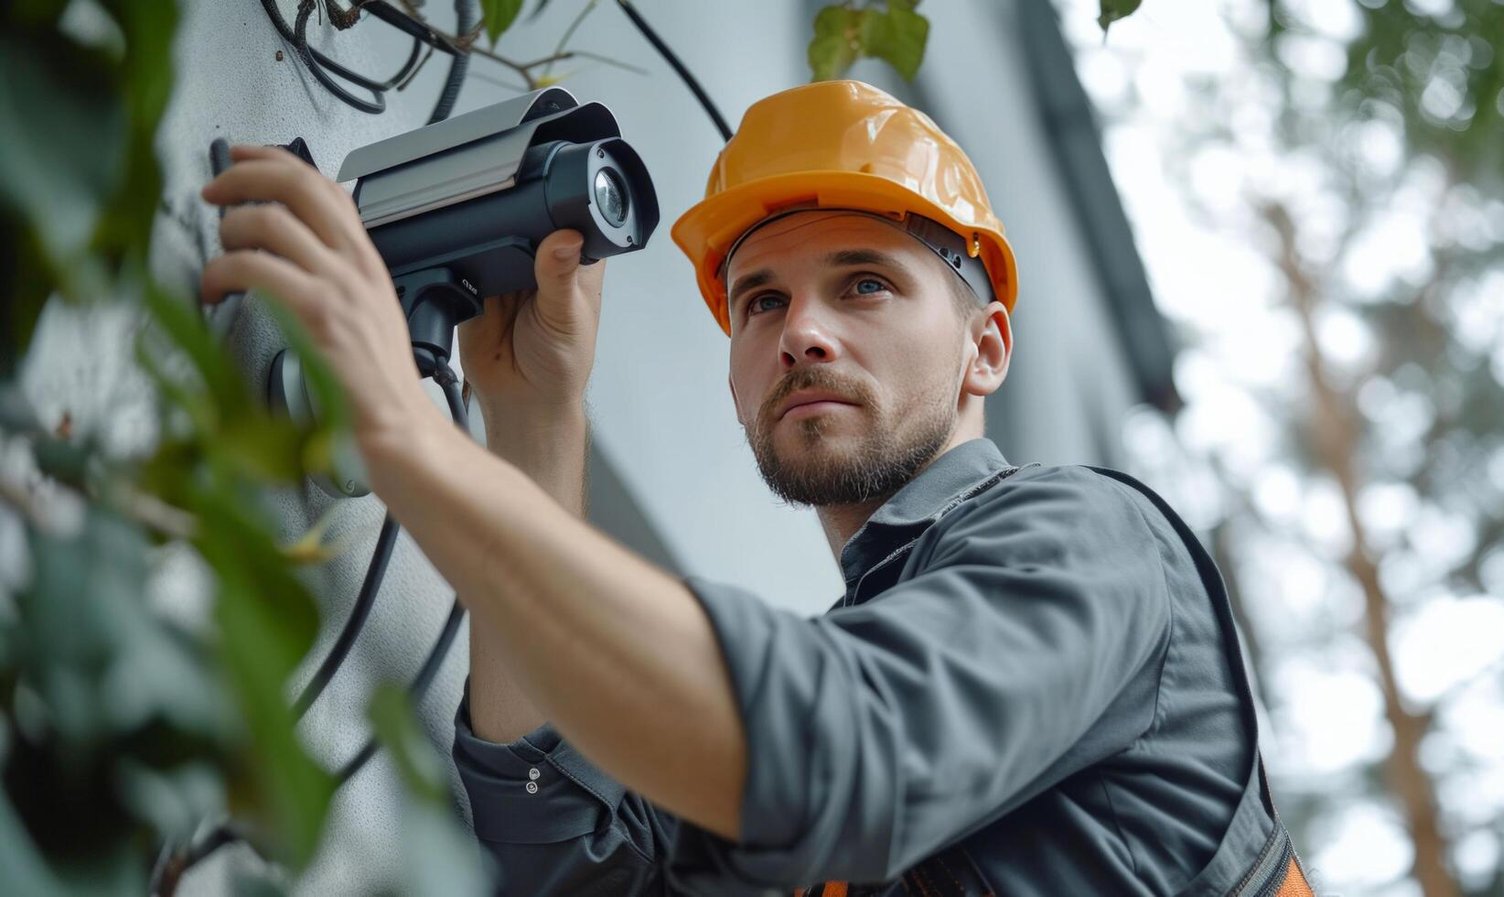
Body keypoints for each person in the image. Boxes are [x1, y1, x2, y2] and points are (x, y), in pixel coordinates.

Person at [198, 80, 1314, 896]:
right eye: (761, 303)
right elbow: (580, 873)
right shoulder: (852, 665)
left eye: (865, 284)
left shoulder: (1087, 541)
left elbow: (837, 753)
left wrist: (406, 436)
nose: (802, 334)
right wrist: (535, 424)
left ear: (986, 350)